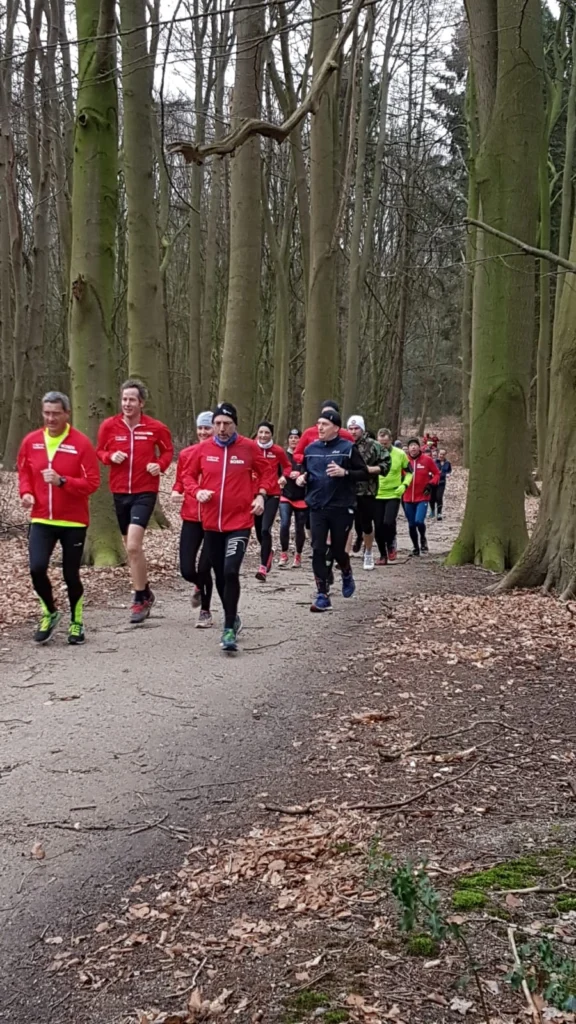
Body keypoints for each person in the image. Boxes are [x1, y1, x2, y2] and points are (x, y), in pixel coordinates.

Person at [17, 391, 100, 645]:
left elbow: (93, 483)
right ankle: (50, 613)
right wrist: (27, 493)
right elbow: (24, 472)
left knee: (70, 574)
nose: (50, 418)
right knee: (36, 568)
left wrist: (63, 481)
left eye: (56, 413)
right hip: (41, 518)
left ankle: (76, 622)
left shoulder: (81, 443)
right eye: (47, 413)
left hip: (73, 521)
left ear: (67, 414)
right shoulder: (32, 441)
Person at [182, 402, 266, 652]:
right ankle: (233, 615)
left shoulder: (249, 448)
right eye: (217, 424)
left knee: (230, 571)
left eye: (226, 424)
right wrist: (197, 492)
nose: (221, 428)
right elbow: (187, 475)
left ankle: (228, 627)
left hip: (239, 522)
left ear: (235, 425)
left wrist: (261, 495)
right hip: (211, 524)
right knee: (219, 575)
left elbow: (267, 473)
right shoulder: (203, 449)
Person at [97, 380, 173, 624]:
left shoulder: (156, 428)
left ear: (141, 402)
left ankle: (139, 598)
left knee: (132, 546)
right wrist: (110, 456)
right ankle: (146, 592)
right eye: (124, 399)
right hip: (119, 492)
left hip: (145, 491)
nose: (127, 403)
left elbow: (168, 452)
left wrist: (158, 465)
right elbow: (99, 451)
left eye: (132, 399)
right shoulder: (109, 426)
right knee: (132, 549)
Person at [295, 409, 369, 612]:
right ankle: (322, 594)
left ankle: (346, 571)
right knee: (318, 549)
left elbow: (363, 473)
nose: (319, 427)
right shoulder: (311, 449)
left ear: (336, 428)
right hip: (317, 507)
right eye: (318, 423)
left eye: (325, 424)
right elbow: (306, 472)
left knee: (338, 550)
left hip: (341, 506)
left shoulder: (348, 448)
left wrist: (344, 472)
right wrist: (302, 478)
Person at [171, 412, 214, 628]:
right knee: (187, 569)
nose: (204, 432)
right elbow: (181, 480)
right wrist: (176, 491)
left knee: (205, 566)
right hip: (190, 516)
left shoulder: (219, 455)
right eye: (201, 428)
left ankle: (205, 610)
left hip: (214, 518)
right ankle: (198, 585)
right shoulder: (187, 454)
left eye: (208, 428)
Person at [346, 415, 390, 570]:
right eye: (350, 428)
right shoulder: (343, 444)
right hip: (346, 490)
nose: (353, 432)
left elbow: (386, 462)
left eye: (356, 428)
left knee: (366, 524)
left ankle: (369, 553)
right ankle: (344, 556)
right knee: (345, 524)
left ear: (362, 429)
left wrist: (374, 469)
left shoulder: (373, 445)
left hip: (367, 490)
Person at [253, 421, 291, 581]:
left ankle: (262, 568)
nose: (263, 436)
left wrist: (283, 477)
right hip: (254, 494)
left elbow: (288, 466)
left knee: (265, 529)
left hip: (273, 494)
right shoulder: (251, 449)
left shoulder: (277, 451)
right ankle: (268, 552)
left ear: (271, 434)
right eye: (261, 432)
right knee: (258, 530)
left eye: (266, 433)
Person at [374, 428, 413, 565]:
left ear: (390, 440)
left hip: (393, 493)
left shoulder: (400, 454)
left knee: (388, 522)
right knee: (378, 526)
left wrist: (404, 486)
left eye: (385, 443)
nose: (383, 446)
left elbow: (409, 472)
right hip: (376, 494)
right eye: (380, 443)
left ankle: (391, 543)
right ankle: (382, 555)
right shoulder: (373, 454)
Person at [403, 437, 440, 556]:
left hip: (422, 497)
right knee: (411, 524)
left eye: (415, 445)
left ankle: (423, 538)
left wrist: (431, 484)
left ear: (419, 447)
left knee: (419, 521)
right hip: (407, 497)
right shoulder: (404, 460)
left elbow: (437, 474)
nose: (413, 447)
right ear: (408, 449)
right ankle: (415, 547)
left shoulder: (427, 460)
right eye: (411, 445)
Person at [279, 428, 307, 568]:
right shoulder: (283, 455)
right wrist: (282, 478)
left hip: (301, 496)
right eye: (291, 437)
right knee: (284, 523)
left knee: (299, 527)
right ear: (288, 440)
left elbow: (310, 471)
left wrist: (303, 476)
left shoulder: (305, 455)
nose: (294, 440)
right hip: (286, 495)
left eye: (296, 437)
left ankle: (298, 555)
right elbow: (277, 472)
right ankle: (284, 554)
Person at [430, 448, 452, 521]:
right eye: (440, 454)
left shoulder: (447, 463)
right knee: (432, 498)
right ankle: (432, 510)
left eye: (443, 454)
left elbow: (449, 470)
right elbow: (429, 469)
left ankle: (439, 513)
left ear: (445, 455)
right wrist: (430, 473)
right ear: (438, 454)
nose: (441, 456)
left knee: (439, 497)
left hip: (442, 482)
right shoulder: (433, 462)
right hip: (433, 482)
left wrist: (448, 474)